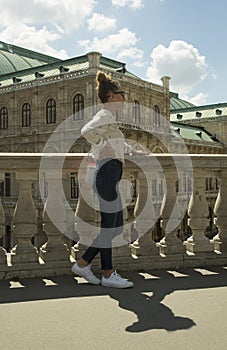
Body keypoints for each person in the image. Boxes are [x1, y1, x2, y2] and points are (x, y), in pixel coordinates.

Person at [72, 71, 147, 288]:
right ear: (111, 96)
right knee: (110, 227)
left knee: (113, 228)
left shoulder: (110, 119)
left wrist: (132, 151)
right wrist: (102, 145)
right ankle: (107, 273)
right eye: (121, 93)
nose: (124, 97)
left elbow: (116, 144)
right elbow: (86, 130)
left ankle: (84, 263)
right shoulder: (105, 114)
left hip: (110, 174)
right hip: (105, 174)